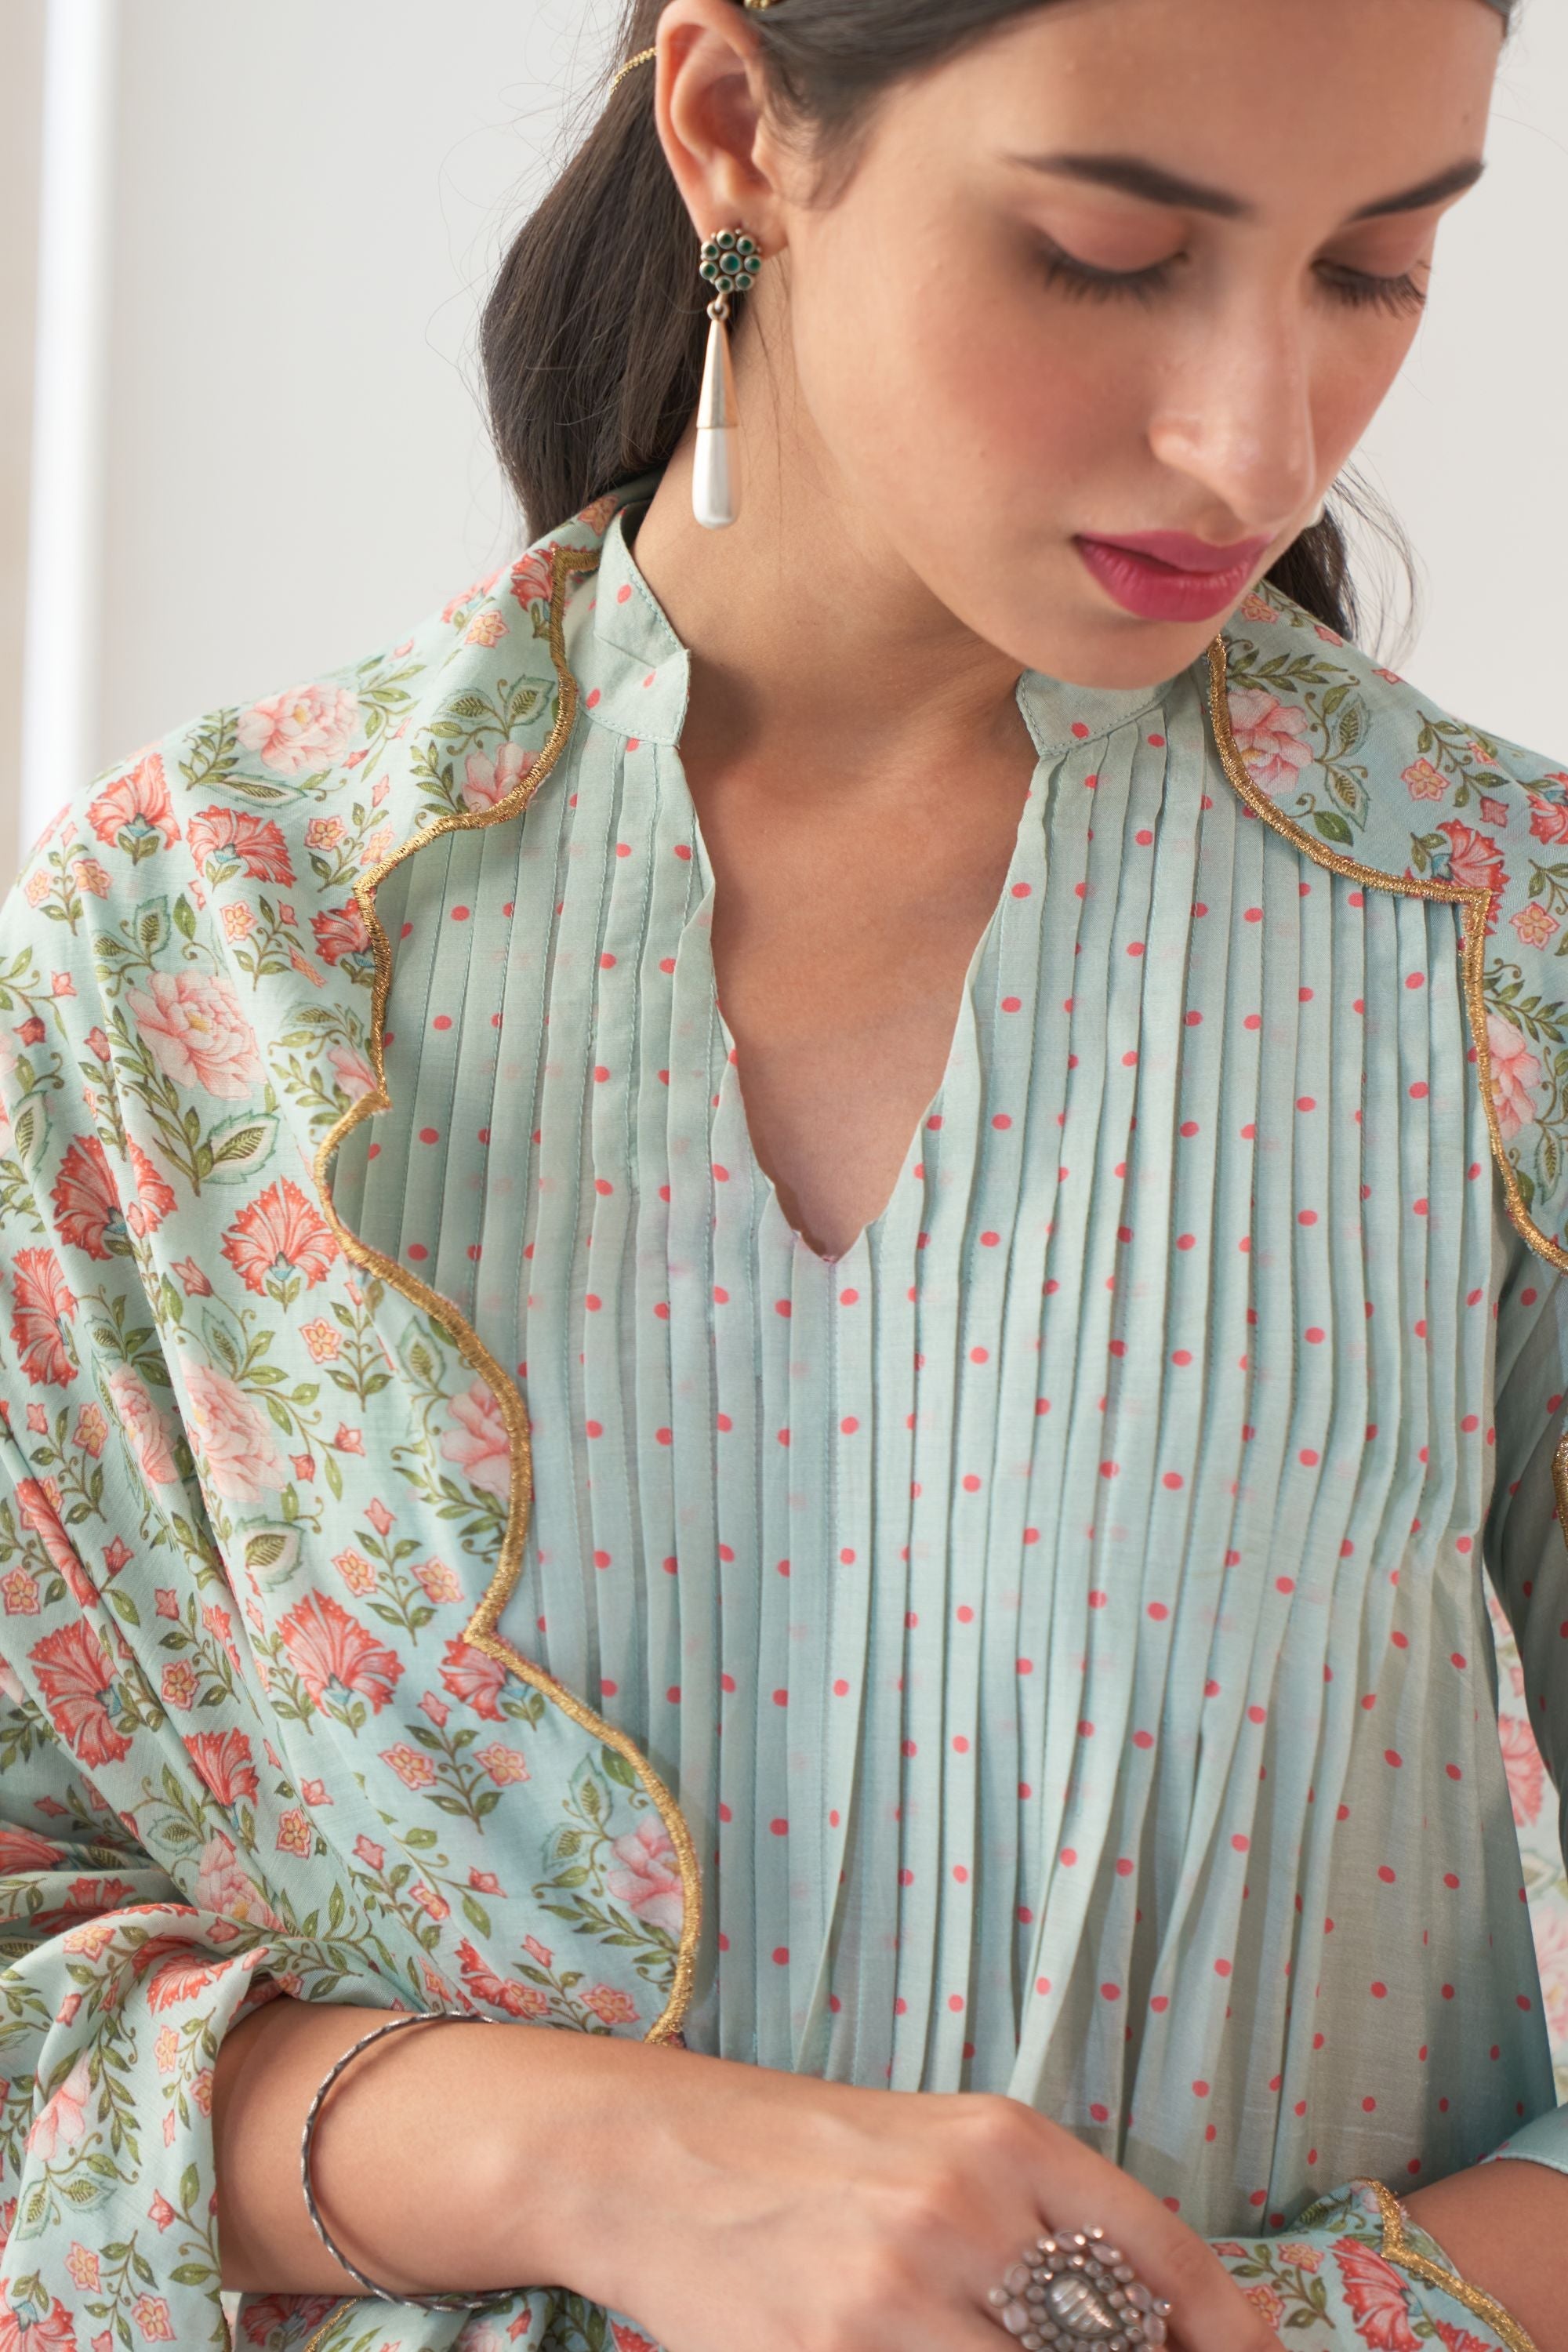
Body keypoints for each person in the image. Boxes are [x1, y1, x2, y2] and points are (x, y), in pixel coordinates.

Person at [2, 0, 1565, 2347]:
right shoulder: (201, 943)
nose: (1259, 439)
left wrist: (1221, 2330)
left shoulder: (1504, 956)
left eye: (1373, 269)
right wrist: (584, 2158)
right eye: (1108, 252)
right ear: (735, 125)